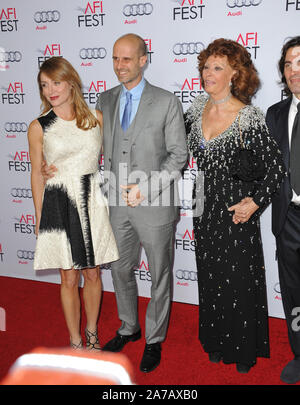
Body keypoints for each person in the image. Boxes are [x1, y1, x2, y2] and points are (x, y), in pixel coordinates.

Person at [184, 38, 285, 373]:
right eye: (205, 66)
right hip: (202, 206)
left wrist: (254, 203)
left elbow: (275, 168)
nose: (207, 73)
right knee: (210, 277)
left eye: (217, 68)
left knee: (238, 280)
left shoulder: (248, 117)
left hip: (235, 210)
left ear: (234, 74)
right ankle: (214, 341)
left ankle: (242, 350)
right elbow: (171, 149)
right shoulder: (196, 109)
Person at [96, 33, 187, 373]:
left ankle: (153, 339)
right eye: (116, 58)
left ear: (143, 59)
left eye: (127, 59)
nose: (120, 66)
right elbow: (96, 145)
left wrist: (146, 188)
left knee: (159, 273)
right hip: (116, 205)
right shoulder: (104, 99)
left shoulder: (166, 101)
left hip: (154, 204)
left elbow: (179, 155)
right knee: (120, 269)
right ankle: (128, 326)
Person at [28, 57, 119, 351]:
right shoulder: (39, 126)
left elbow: (114, 158)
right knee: (68, 276)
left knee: (92, 273)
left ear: (71, 82)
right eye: (44, 85)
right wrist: (40, 218)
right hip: (59, 202)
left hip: (91, 199)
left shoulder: (96, 118)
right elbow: (36, 174)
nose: (51, 90)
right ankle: (75, 340)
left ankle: (92, 333)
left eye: (56, 82)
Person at [266, 36, 300, 384]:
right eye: (288, 64)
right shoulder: (275, 114)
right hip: (288, 217)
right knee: (293, 291)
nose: (294, 71)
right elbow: (268, 170)